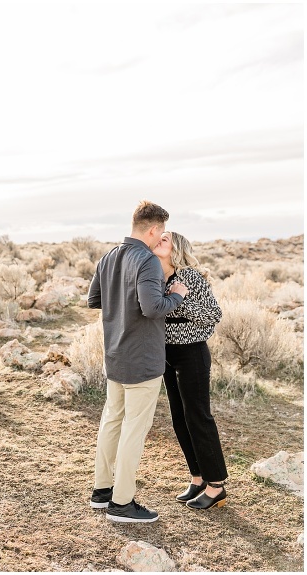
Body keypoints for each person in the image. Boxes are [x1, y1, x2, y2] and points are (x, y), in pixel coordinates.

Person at [87, 200, 188, 523]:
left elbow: (95, 300)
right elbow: (152, 308)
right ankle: (121, 503)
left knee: (112, 421)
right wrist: (177, 295)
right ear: (154, 229)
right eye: (161, 232)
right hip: (142, 359)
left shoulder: (109, 256)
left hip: (115, 355)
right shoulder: (146, 261)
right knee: (134, 429)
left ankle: (102, 491)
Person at [152, 231, 227, 509]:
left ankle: (216, 485)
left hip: (192, 352)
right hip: (167, 355)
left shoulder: (191, 277)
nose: (159, 239)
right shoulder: (156, 278)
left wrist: (181, 298)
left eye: (166, 238)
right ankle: (197, 478)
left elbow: (213, 314)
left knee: (198, 416)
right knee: (178, 418)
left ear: (177, 248)